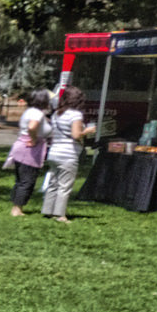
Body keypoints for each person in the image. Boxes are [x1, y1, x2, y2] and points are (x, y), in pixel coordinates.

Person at [41, 87, 92, 223]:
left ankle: (48, 210)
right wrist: (88, 130)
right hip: (68, 154)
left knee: (53, 182)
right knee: (64, 185)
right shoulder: (76, 115)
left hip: (54, 152)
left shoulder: (57, 113)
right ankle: (60, 214)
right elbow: (76, 135)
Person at [7, 89, 52, 216]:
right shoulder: (37, 113)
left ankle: (16, 205)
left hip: (20, 147)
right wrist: (33, 140)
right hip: (29, 149)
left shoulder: (29, 111)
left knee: (20, 179)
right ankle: (17, 209)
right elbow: (32, 127)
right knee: (27, 180)